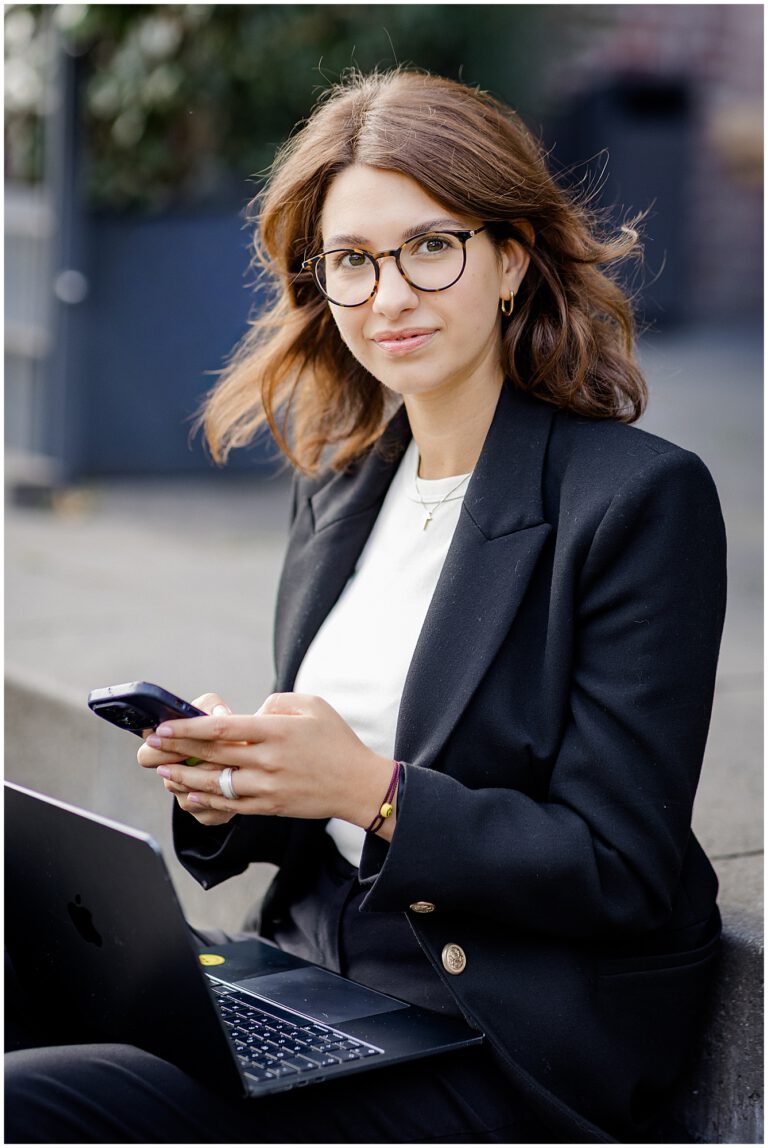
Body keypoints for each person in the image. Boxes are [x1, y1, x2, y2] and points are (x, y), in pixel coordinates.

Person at [6, 68, 726, 1144]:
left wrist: (369, 789)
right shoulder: (347, 479)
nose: (388, 295)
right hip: (309, 978)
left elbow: (618, 866)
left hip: (490, 1036)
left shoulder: (635, 500)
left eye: (430, 246)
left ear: (512, 259)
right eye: (351, 260)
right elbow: (337, 782)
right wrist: (236, 786)